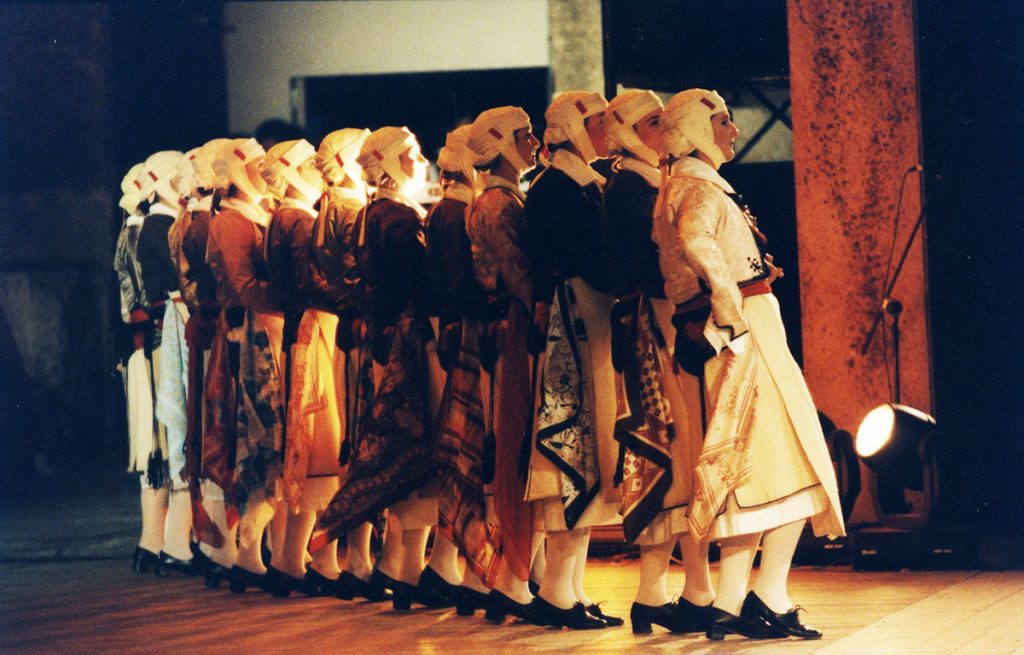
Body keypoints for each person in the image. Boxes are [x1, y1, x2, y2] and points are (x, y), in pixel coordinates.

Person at [652, 89, 845, 640]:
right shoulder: (696, 186)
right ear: (696, 129)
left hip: (739, 324)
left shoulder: (686, 184)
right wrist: (731, 313)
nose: (734, 130)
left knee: (753, 477)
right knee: (794, 465)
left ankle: (732, 601)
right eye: (722, 121)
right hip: (745, 330)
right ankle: (767, 596)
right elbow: (697, 244)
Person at [601, 89, 714, 634]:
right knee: (676, 453)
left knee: (679, 457)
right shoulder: (630, 185)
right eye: (650, 121)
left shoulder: (647, 180)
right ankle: (684, 589)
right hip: (657, 324)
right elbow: (649, 264)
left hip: (663, 319)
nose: (660, 128)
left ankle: (659, 591)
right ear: (625, 131)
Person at [314, 126, 438, 611]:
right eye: (411, 155)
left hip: (382, 342)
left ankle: (393, 567)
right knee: (410, 452)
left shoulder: (373, 213)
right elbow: (407, 289)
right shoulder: (399, 220)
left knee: (391, 452)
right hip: (406, 346)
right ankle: (406, 572)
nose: (421, 162)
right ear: (388, 163)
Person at [522, 91, 621, 629]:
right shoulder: (556, 187)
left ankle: (570, 589)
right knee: (573, 450)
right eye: (597, 121)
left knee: (589, 450)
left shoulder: (579, 181)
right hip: (575, 319)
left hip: (588, 315)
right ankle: (558, 592)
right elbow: (582, 258)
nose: (606, 129)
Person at [461, 105, 546, 623]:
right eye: (524, 135)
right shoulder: (499, 204)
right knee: (516, 447)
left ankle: (512, 573)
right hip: (515, 328)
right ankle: (512, 576)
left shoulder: (496, 198)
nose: (534, 142)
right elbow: (520, 275)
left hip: (502, 327)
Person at [261, 138, 343, 596]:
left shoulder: (282, 218)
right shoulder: (299, 221)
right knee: (318, 444)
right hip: (314, 327)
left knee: (309, 446)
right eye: (308, 165)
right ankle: (294, 560)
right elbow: (312, 283)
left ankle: (292, 558)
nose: (317, 171)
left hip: (303, 326)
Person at [312, 127, 389, 602]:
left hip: (347, 327)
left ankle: (356, 557)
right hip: (360, 330)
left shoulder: (333, 206)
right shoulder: (349, 208)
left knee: (354, 444)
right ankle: (358, 559)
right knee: (361, 444)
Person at [206, 137, 285, 594]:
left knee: (267, 440)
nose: (264, 172)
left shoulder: (246, 215)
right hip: (251, 338)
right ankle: (250, 549)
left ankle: (256, 554)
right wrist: (294, 299)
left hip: (261, 331)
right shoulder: (232, 221)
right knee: (262, 438)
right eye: (255, 166)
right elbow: (244, 286)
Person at [115, 161, 169, 575]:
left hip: (141, 345)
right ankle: (157, 542)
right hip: (153, 345)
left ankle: (152, 542)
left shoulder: (130, 231)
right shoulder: (144, 232)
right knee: (159, 443)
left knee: (154, 443)